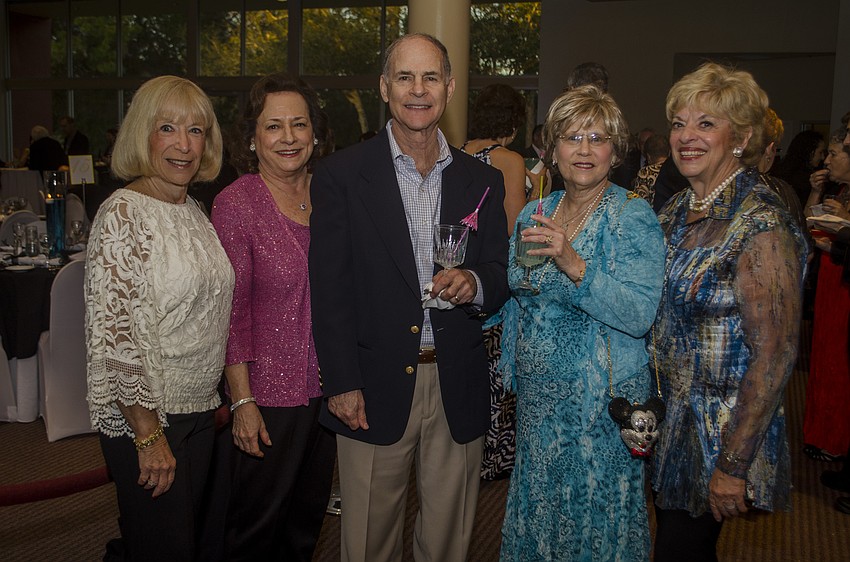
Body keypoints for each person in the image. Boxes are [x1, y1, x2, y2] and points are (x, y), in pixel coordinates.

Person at [309, 33, 509, 562]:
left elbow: (500, 269)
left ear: (449, 87)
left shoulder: (483, 180)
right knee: (368, 542)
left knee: (448, 541)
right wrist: (342, 382)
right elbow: (328, 290)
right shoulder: (341, 175)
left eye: (430, 77)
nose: (418, 90)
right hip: (371, 386)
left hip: (456, 380)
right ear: (384, 87)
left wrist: (475, 283)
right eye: (404, 77)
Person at [497, 84, 665, 561]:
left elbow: (639, 314)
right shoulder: (536, 211)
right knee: (540, 511)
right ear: (552, 150)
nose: (585, 150)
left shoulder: (631, 215)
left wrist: (574, 264)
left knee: (592, 519)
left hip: (598, 409)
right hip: (538, 404)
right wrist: (468, 294)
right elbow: (522, 292)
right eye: (572, 138)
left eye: (598, 138)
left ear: (616, 151)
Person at [650, 62, 808, 562]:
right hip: (670, 424)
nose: (686, 136)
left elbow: (775, 355)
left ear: (740, 138)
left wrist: (733, 465)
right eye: (679, 123)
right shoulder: (676, 210)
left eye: (706, 124)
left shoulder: (759, 223)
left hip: (717, 433)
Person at [85, 75, 234, 560]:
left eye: (195, 130)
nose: (183, 145)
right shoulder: (123, 214)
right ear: (142, 134)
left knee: (188, 545)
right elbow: (116, 339)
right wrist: (148, 436)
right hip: (150, 418)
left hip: (199, 410)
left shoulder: (193, 209)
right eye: (167, 128)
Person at [209, 73, 336, 561]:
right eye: (273, 126)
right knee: (255, 530)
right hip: (266, 398)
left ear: (315, 133)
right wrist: (242, 401)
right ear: (252, 138)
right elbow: (231, 313)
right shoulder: (236, 204)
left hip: (329, 391)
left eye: (299, 124)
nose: (288, 138)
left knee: (305, 524)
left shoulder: (332, 195)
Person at [461, 82, 528, 481]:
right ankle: (493, 456)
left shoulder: (456, 151)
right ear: (513, 123)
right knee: (496, 369)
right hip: (492, 277)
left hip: (459, 274)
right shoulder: (508, 160)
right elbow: (513, 230)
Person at [801, 130, 850, 463]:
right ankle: (821, 434)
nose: (827, 160)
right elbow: (810, 223)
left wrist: (843, 225)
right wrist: (816, 191)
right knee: (823, 355)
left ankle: (837, 439)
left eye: (835, 154)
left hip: (844, 283)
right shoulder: (839, 191)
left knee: (839, 360)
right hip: (830, 278)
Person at [775, 129, 826, 205]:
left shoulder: (780, 169)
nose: (823, 157)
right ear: (809, 152)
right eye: (820, 152)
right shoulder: (806, 181)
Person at [632, 132, 671, 204]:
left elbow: (639, 203)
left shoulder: (645, 172)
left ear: (648, 157)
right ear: (669, 152)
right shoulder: (677, 170)